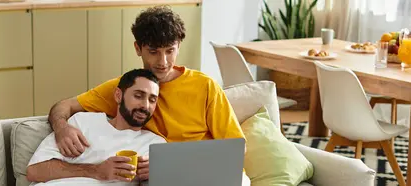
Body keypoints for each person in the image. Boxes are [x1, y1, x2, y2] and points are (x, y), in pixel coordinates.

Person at [47, 5, 250, 184]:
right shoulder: (126, 88)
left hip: (209, 172)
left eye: (170, 51)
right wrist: (62, 128)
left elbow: (236, 149)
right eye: (153, 52)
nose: (163, 61)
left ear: (178, 46)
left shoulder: (205, 86)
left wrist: (172, 163)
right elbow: (64, 106)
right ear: (138, 48)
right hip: (166, 179)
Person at [26, 69, 166, 186]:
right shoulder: (82, 122)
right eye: (138, 96)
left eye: (152, 100)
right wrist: (96, 170)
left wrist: (156, 174)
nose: (145, 106)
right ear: (118, 96)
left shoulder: (155, 146)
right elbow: (34, 171)